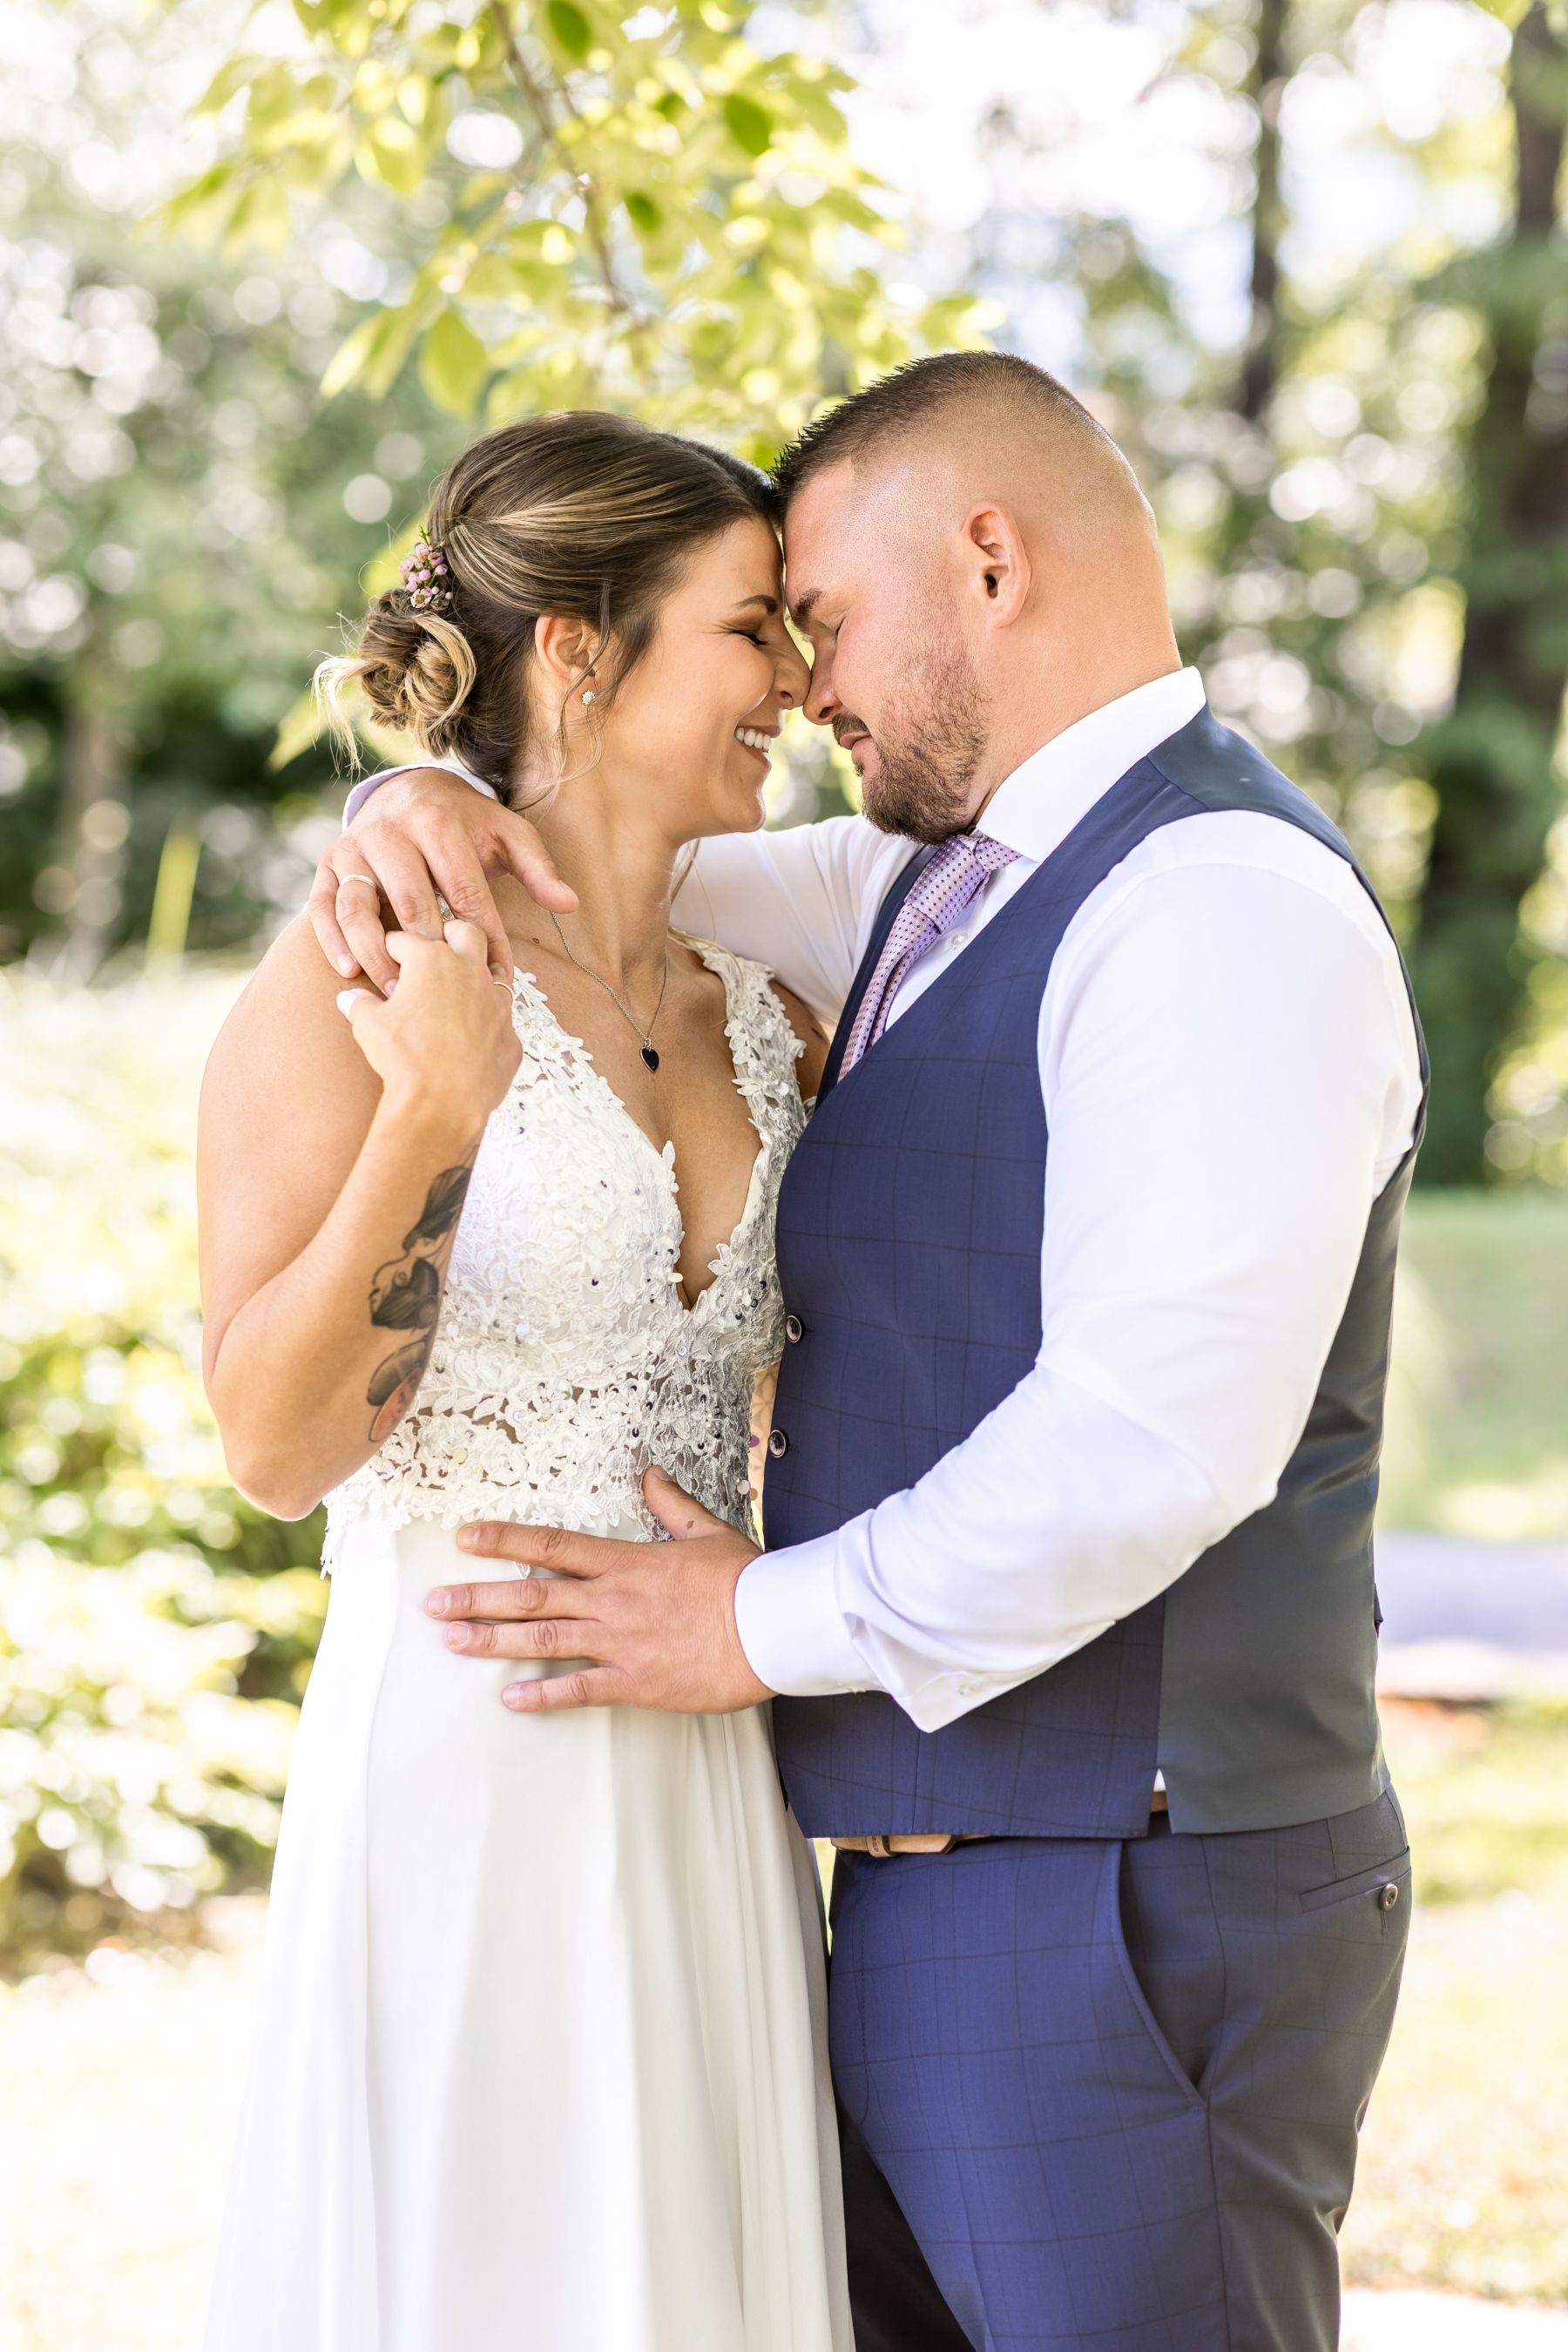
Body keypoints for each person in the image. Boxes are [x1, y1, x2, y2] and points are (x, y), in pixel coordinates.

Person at [323, 352, 1427, 2352]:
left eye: (818, 618)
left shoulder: (1220, 905)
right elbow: (589, 859)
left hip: (1133, 1906)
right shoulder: (918, 883)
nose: (802, 683)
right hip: (926, 1895)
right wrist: (410, 792)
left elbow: (1154, 1439)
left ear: (990, 563)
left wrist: (748, 1626)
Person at [197, 412, 852, 2352]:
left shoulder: (772, 1012)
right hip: (468, 1771)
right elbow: (275, 1448)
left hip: (710, 1780)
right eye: (747, 627)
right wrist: (433, 1114)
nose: (795, 679)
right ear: (578, 650)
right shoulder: (349, 980)